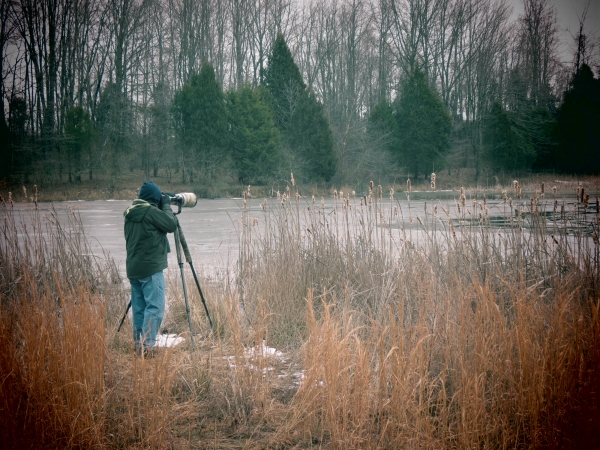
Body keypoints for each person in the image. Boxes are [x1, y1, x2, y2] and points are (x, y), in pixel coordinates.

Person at [124, 181, 177, 357]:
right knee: (155, 307)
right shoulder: (150, 211)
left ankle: (138, 345)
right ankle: (148, 347)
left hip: (134, 268)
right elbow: (170, 224)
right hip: (151, 268)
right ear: (154, 199)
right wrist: (167, 206)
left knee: (139, 308)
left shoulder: (131, 213)